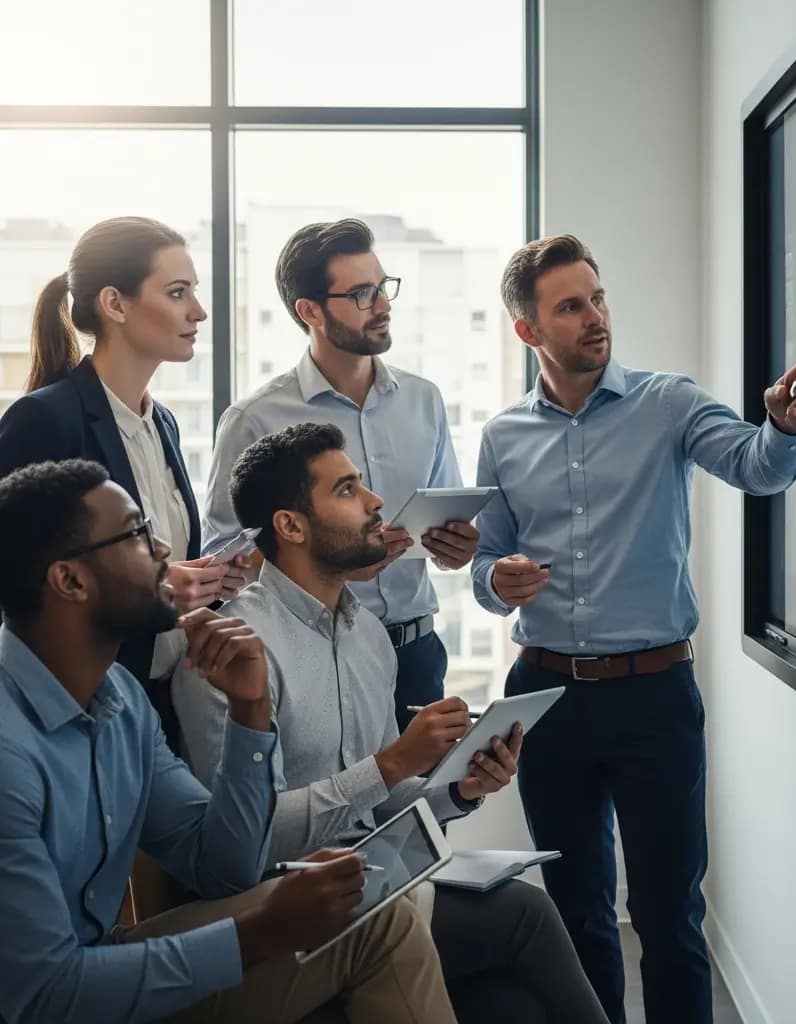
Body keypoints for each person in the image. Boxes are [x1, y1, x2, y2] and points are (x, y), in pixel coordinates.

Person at [470, 235, 796, 1024]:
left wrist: (781, 427)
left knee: (669, 916)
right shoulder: (502, 437)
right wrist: (495, 580)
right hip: (545, 699)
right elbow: (484, 565)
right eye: (570, 307)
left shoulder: (668, 402)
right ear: (528, 330)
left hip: (654, 697)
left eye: (597, 298)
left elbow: (757, 468)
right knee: (577, 915)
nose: (595, 317)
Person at [175, 423, 610, 1024]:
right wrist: (393, 763)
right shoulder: (230, 652)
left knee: (512, 1006)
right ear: (291, 526)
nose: (376, 501)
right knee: (526, 916)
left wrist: (460, 788)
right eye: (347, 490)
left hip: (375, 880)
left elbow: (380, 803)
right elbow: (244, 844)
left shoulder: (370, 638)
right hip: (281, 906)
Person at [0, 459, 456, 1024]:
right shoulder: (10, 749)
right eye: (138, 535)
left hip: (100, 962)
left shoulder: (120, 700)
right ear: (70, 581)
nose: (164, 550)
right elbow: (41, 996)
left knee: (380, 913)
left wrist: (250, 711)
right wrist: (258, 933)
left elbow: (223, 868)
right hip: (51, 998)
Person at [202, 219, 478, 733]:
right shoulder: (255, 419)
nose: (383, 304)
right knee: (333, 784)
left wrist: (455, 548)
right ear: (309, 311)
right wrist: (335, 564)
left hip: (418, 652)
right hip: (311, 653)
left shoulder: (425, 400)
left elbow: (443, 521)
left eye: (383, 286)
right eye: (361, 294)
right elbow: (223, 562)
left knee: (423, 785)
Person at [0, 217, 248, 747]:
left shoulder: (163, 424)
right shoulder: (45, 420)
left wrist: (208, 584)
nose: (199, 312)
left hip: (166, 706)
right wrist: (147, 586)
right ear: (115, 303)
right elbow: (19, 582)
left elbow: (165, 572)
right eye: (177, 293)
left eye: (194, 291)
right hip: (81, 711)